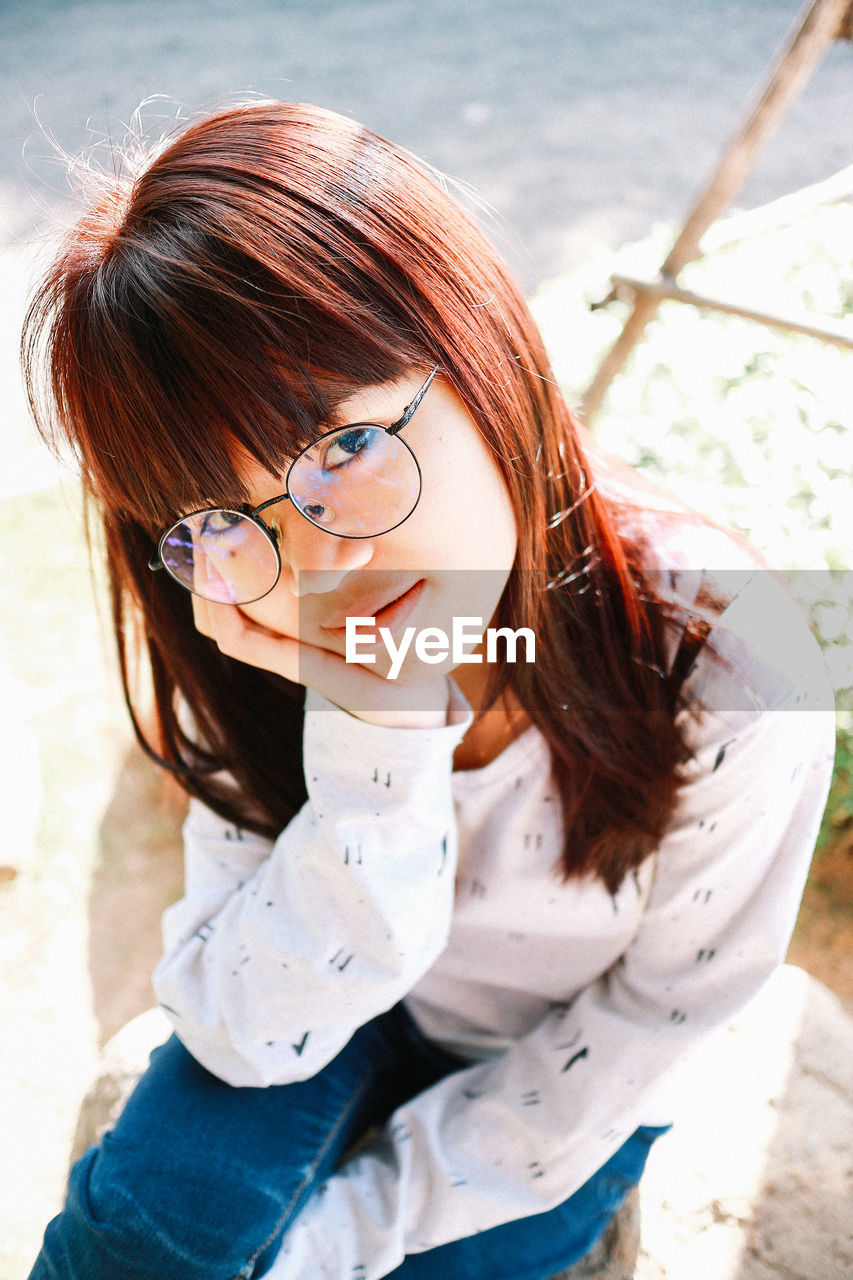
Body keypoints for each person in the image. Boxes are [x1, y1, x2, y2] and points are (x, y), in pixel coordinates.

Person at [23, 101, 835, 1280]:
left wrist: (336, 1246)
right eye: (223, 516)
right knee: (145, 1220)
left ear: (480, 346)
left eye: (343, 449)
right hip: (354, 1011)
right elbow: (243, 1026)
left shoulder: (724, 645)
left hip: (562, 1078)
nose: (319, 561)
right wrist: (376, 731)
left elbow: (655, 1022)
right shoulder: (235, 622)